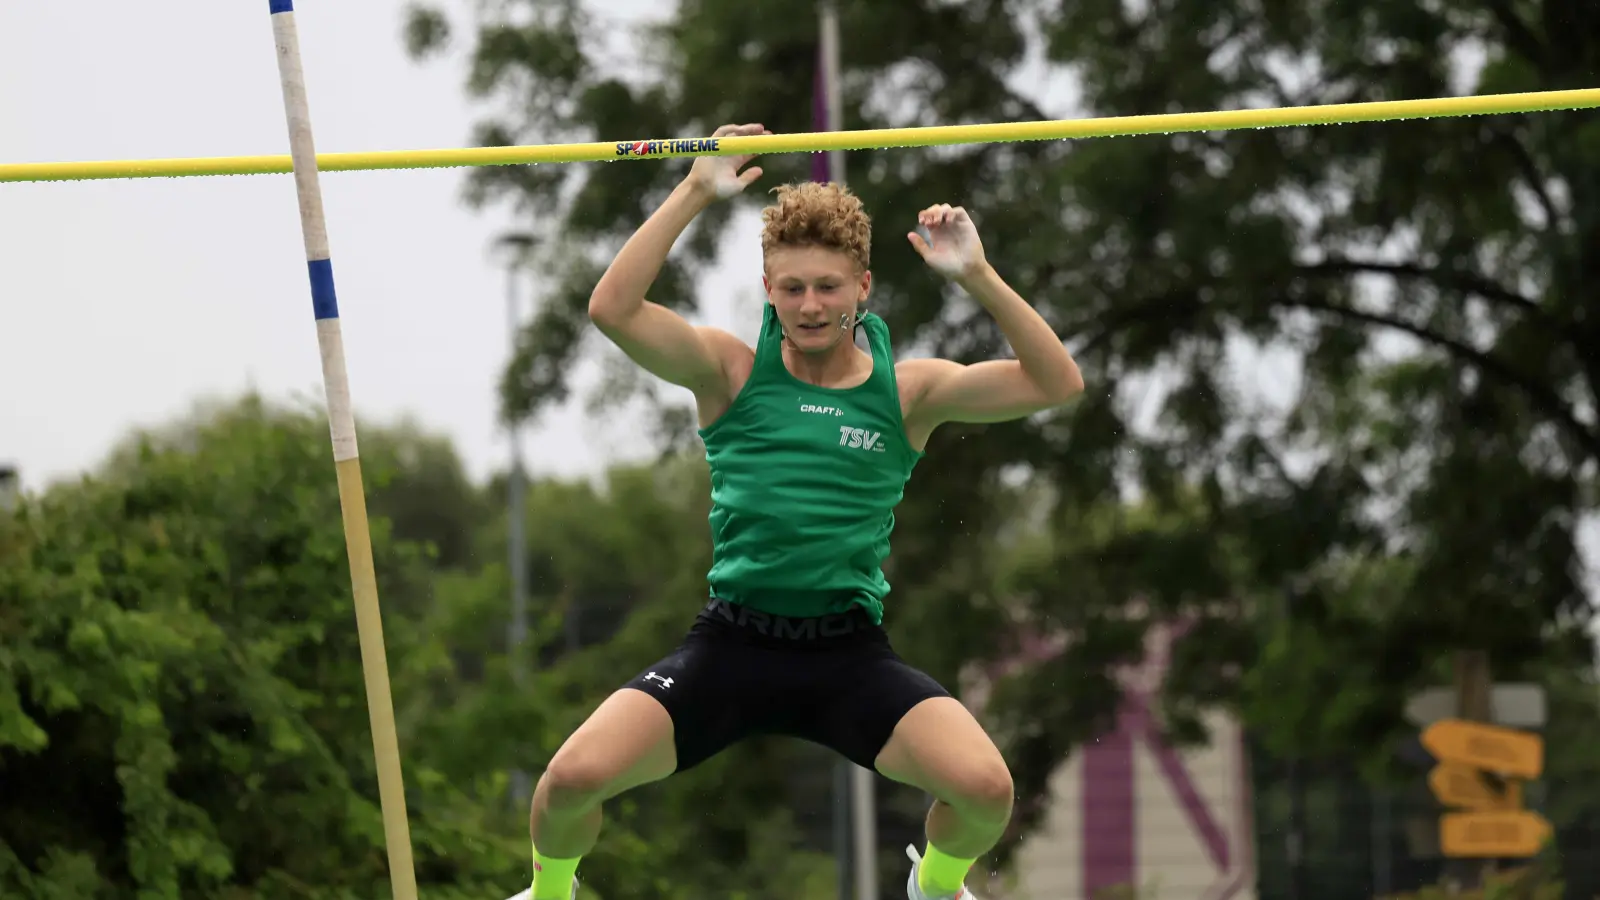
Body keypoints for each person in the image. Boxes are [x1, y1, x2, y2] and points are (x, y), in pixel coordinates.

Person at [524, 122, 1085, 900]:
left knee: (986, 791)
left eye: (827, 286)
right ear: (769, 291)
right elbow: (612, 309)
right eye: (791, 287)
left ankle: (935, 885)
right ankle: (552, 893)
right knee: (567, 782)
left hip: (845, 657)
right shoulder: (729, 371)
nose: (810, 305)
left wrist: (980, 276)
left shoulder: (908, 391)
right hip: (733, 645)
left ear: (863, 286)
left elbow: (1058, 384)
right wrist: (694, 188)